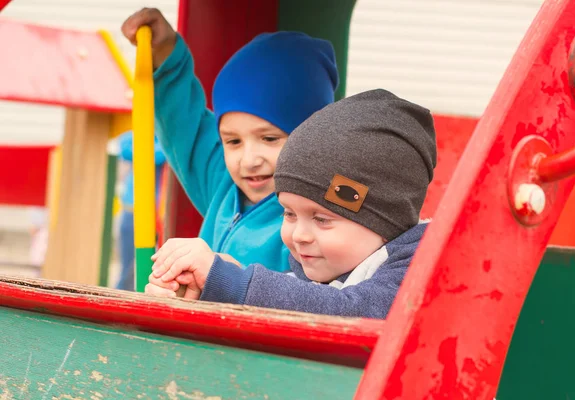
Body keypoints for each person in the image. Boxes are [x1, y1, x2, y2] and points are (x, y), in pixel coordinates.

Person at [145, 89, 437, 319]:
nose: (299, 235)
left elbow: (351, 311)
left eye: (321, 219)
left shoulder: (418, 268)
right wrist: (206, 287)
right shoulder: (313, 272)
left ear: (386, 220)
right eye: (289, 213)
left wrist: (232, 282)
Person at [121, 8, 339, 272]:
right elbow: (182, 124)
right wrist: (165, 50)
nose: (248, 160)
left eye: (269, 138)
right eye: (233, 141)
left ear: (313, 138)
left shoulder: (318, 222)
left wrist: (220, 278)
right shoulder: (222, 184)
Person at [115, 131, 166, 291]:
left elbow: (159, 156)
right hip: (133, 211)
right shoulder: (139, 133)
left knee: (153, 268)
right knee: (128, 267)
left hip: (158, 214)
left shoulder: (165, 139)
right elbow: (123, 148)